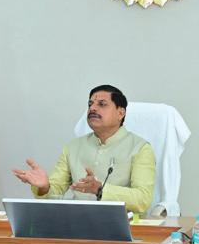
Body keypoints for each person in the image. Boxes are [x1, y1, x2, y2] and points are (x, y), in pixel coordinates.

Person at [12, 85, 155, 213]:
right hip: (76, 222)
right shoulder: (73, 147)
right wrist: (44, 187)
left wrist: (100, 189)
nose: (93, 108)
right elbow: (55, 192)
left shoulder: (140, 148)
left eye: (102, 104)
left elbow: (143, 199)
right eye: (90, 104)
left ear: (120, 113)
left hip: (123, 226)